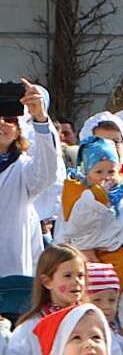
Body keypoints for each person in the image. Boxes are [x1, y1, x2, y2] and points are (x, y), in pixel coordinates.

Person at [55, 136, 123, 325]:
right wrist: (99, 198)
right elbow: (77, 226)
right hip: (93, 264)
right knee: (95, 313)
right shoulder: (79, 194)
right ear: (86, 173)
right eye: (98, 171)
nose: (106, 177)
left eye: (111, 171)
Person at [0, 78, 63, 278]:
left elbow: (48, 170)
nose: (1, 123)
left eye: (9, 119)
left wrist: (40, 117)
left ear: (19, 129)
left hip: (10, 272)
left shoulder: (23, 170)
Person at [10, 244, 86, 355]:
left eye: (80, 275)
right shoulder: (30, 328)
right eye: (68, 276)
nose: (76, 281)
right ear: (47, 282)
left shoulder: (92, 324)